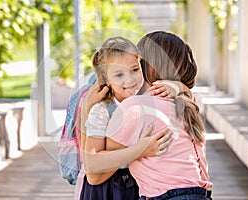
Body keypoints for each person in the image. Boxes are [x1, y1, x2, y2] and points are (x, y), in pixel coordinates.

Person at [100, 31, 213, 199]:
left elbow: (98, 171)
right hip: (200, 194)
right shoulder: (187, 105)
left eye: (136, 66)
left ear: (147, 66)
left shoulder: (136, 107)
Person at [78, 36, 189, 200]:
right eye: (118, 75)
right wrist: (140, 150)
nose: (129, 80)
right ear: (105, 80)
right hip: (107, 190)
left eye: (135, 70)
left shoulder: (144, 98)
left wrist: (178, 86)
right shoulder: (103, 111)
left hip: (138, 186)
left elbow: (192, 100)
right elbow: (93, 172)